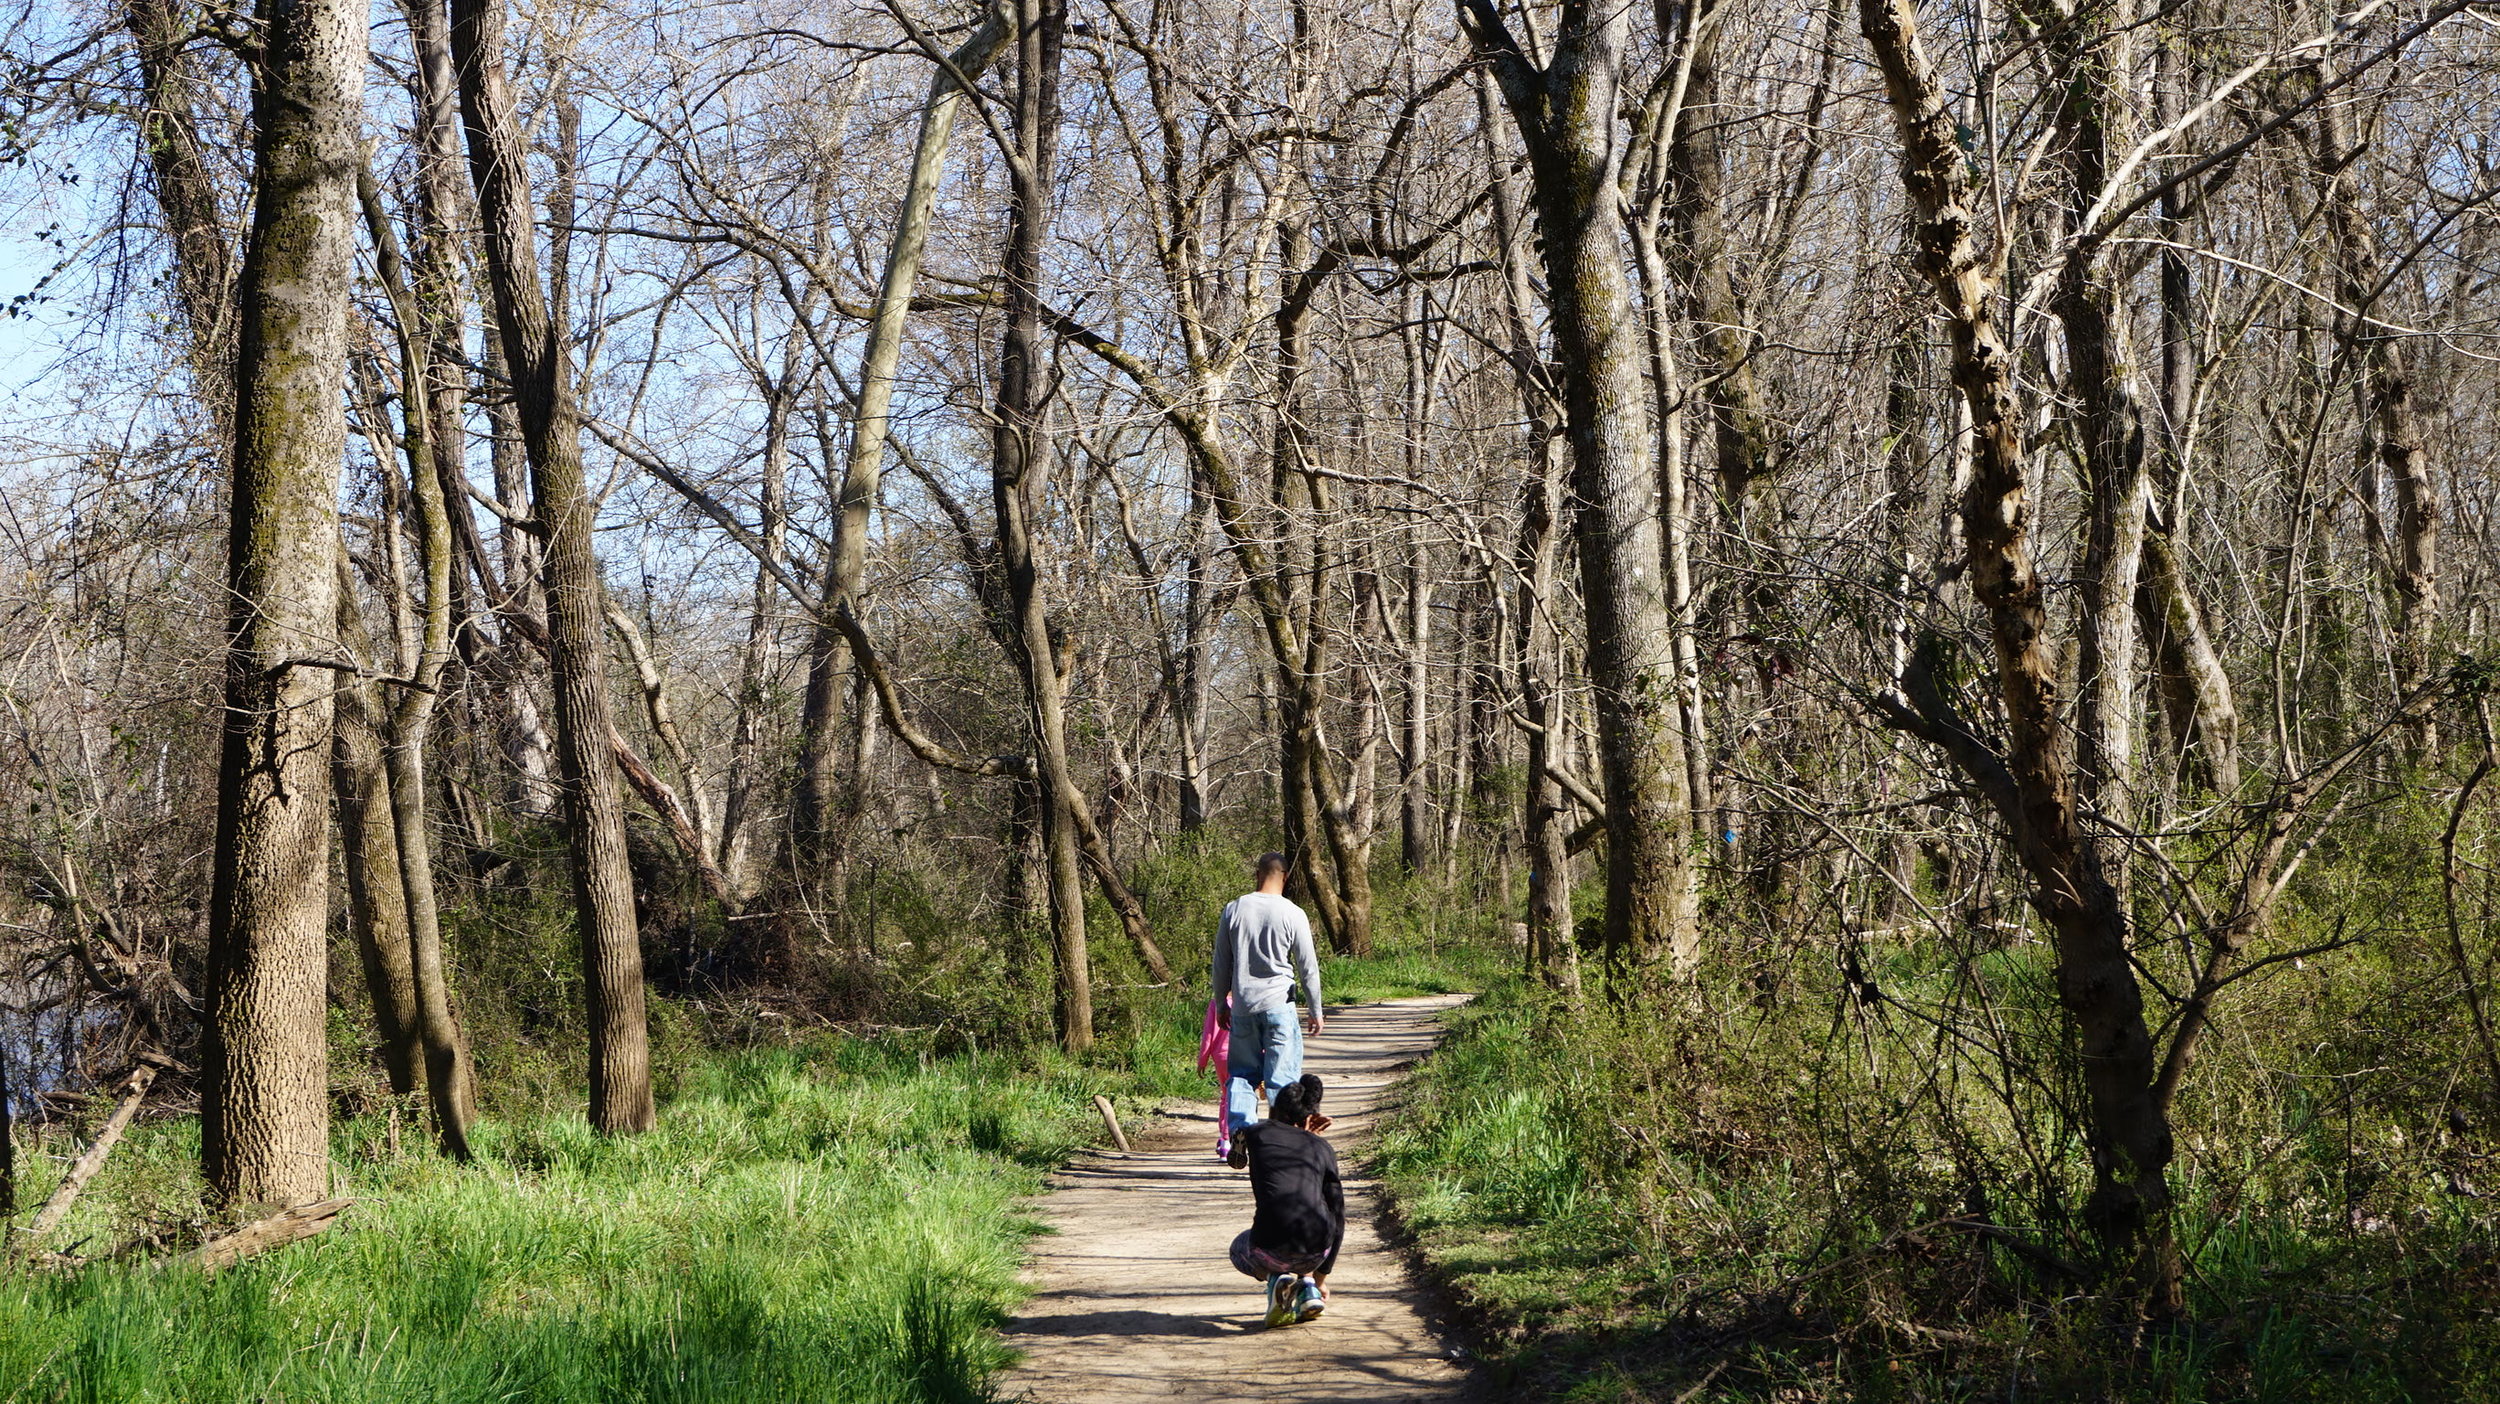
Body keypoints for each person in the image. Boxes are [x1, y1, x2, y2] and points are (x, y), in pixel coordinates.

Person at [1211, 852, 1324, 1145]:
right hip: (1278, 1006)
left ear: (1257, 874)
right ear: (1285, 877)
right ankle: (1281, 1139)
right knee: (1281, 1077)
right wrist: (1315, 1009)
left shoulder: (1234, 909)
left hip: (1244, 1008)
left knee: (1241, 1075)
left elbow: (1221, 963)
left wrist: (1222, 1004)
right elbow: (1307, 966)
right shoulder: (1293, 913)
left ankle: (1239, 1131)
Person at [1227, 1074, 1341, 1326]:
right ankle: (1309, 1287)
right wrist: (1322, 1277)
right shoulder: (1324, 1150)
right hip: (1316, 1252)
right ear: (1311, 1118)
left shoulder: (1256, 1135)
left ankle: (1275, 1279)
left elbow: (1235, 1152)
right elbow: (1338, 1217)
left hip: (1270, 1247)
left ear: (1276, 1109)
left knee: (1238, 1248)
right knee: (1309, 1224)